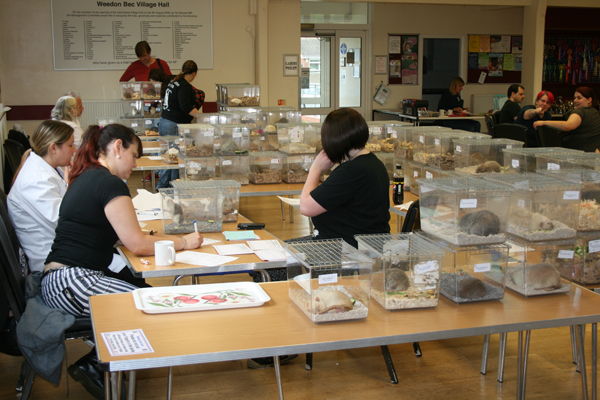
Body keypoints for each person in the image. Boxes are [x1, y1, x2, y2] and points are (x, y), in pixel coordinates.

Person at [40, 124, 203, 399]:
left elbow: (121, 236)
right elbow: (136, 244)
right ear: (118, 147)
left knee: (148, 298)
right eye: (134, 155)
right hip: (72, 281)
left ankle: (108, 366)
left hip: (63, 281)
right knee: (154, 308)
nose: (135, 164)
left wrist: (166, 238)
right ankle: (95, 365)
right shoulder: (109, 183)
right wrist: (184, 243)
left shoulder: (89, 176)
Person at [7, 120, 76, 274]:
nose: (74, 150)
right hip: (54, 265)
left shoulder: (46, 170)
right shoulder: (36, 180)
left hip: (64, 251)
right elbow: (66, 222)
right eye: (70, 145)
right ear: (53, 148)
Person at [157, 60, 203, 188]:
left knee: (170, 157)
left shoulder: (174, 82)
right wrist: (202, 117)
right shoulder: (184, 85)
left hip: (164, 121)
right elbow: (185, 106)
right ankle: (165, 187)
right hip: (173, 124)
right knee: (174, 159)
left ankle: (170, 187)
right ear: (194, 73)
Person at [534, 87, 600, 152]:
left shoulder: (581, 111)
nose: (575, 100)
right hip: (592, 153)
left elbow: (568, 125)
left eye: (579, 98)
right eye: (575, 98)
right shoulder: (595, 113)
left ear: (589, 100)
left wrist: (543, 122)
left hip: (577, 153)